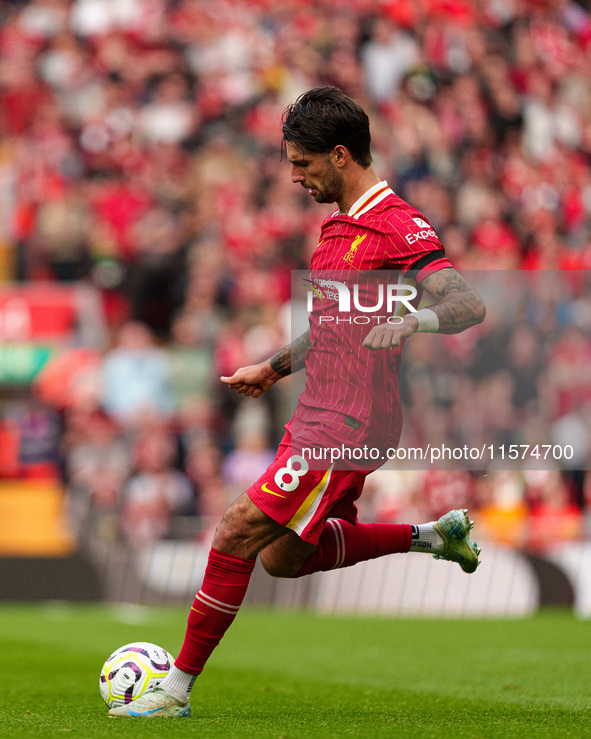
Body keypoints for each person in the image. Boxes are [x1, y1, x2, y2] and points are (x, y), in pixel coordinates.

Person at [109, 86, 486, 718]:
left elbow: (466, 303)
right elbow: (337, 323)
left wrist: (412, 321)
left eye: (302, 164)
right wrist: (274, 368)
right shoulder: (338, 226)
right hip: (320, 407)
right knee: (285, 557)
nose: (294, 177)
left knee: (235, 531)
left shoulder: (396, 224)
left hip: (350, 420)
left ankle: (172, 692)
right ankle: (433, 537)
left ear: (340, 155)